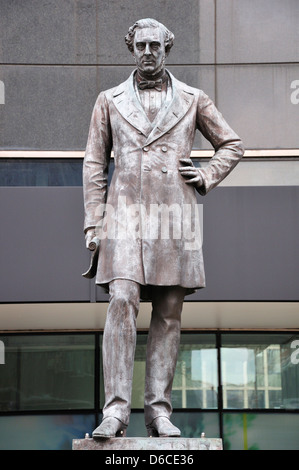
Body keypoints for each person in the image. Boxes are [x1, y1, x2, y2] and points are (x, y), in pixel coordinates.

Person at [83, 18, 244, 438]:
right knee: (121, 299)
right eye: (141, 45)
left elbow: (232, 144)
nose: (148, 51)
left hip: (175, 217)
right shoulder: (109, 100)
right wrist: (93, 221)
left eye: (156, 44)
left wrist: (207, 175)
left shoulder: (193, 99)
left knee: (169, 312)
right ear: (131, 48)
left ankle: (158, 412)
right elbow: (95, 163)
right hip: (124, 217)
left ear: (167, 48)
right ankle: (115, 410)